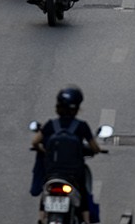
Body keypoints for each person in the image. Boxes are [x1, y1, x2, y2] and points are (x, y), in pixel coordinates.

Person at [30, 87, 104, 224]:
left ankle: (41, 219)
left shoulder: (51, 125)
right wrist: (96, 150)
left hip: (52, 173)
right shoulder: (81, 126)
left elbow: (34, 142)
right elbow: (94, 147)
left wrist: (43, 151)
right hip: (74, 175)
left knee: (45, 193)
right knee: (83, 196)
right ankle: (87, 221)